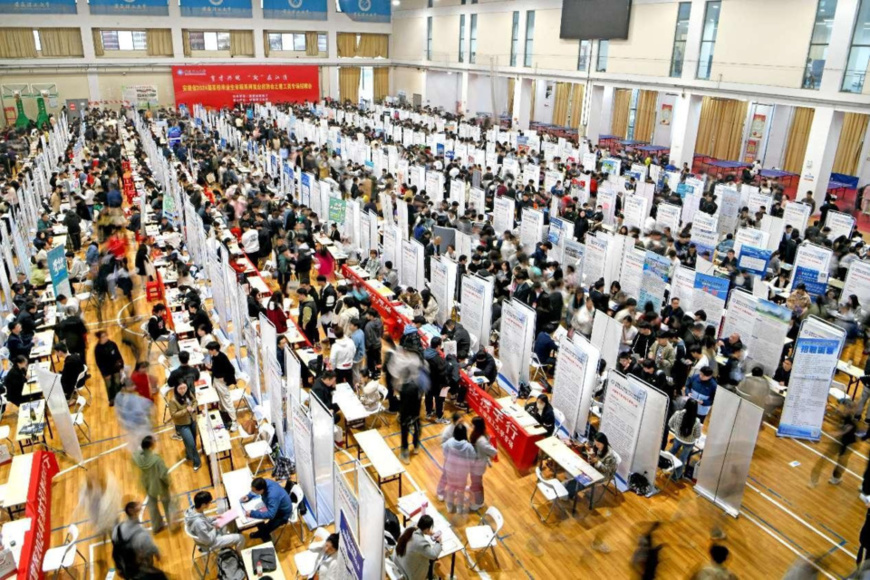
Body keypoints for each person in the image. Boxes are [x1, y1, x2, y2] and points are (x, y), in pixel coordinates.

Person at [112, 501, 165, 580]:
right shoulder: (142, 534)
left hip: (124, 568)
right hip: (140, 569)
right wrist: (157, 554)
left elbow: (114, 542)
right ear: (132, 511)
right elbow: (151, 548)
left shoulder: (118, 529)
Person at [810, 399, 857, 486]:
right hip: (838, 441)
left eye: (846, 408)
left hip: (847, 444)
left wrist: (833, 433)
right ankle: (814, 480)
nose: (844, 409)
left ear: (850, 410)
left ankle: (836, 478)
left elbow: (843, 431)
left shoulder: (852, 422)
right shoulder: (843, 416)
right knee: (824, 459)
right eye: (844, 407)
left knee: (841, 462)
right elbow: (837, 418)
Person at [132, 436, 174, 533]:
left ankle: (157, 526)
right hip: (160, 485)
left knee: (152, 507)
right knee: (167, 505)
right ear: (151, 446)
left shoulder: (137, 456)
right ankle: (171, 524)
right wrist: (170, 483)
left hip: (147, 484)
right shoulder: (157, 460)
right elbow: (163, 475)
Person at [239, 477, 293, 541]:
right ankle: (263, 531)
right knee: (260, 518)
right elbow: (256, 490)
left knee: (267, 527)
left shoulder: (272, 496)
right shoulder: (264, 482)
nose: (252, 491)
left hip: (282, 513)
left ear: (261, 490)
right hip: (275, 505)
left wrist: (252, 513)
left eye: (254, 491)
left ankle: (263, 534)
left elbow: (271, 515)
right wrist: (249, 496)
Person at [441, 423, 476, 513]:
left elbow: (444, 452)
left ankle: (449, 505)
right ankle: (459, 508)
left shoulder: (449, 442)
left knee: (451, 488)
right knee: (461, 490)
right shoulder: (468, 446)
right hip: (462, 472)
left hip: (450, 470)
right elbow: (473, 458)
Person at [394, 515, 442, 580]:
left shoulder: (410, 528)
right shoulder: (420, 542)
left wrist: (427, 532)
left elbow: (415, 524)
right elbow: (433, 555)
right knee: (429, 560)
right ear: (427, 529)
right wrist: (438, 543)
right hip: (409, 574)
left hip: (398, 562)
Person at [205, 342, 238, 431]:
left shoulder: (222, 357)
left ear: (214, 350)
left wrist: (224, 379)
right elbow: (217, 369)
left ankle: (234, 421)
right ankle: (224, 415)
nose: (208, 351)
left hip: (221, 382)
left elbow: (231, 369)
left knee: (227, 401)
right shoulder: (214, 357)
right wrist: (211, 368)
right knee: (220, 399)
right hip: (216, 380)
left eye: (209, 350)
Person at [168, 381, 202, 471]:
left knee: (193, 440)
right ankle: (197, 462)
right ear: (176, 389)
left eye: (184, 388)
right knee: (191, 443)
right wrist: (186, 410)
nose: (183, 390)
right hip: (182, 425)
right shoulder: (173, 401)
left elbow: (195, 401)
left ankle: (188, 454)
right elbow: (174, 415)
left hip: (192, 420)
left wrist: (193, 408)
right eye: (180, 388)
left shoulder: (189, 393)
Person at [667, 399, 702, 479]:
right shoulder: (697, 421)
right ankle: (675, 476)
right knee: (682, 459)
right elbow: (697, 435)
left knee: (672, 451)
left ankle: (665, 465)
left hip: (677, 438)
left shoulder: (678, 414)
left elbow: (670, 423)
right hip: (689, 443)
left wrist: (677, 429)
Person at [469, 416, 498, 510]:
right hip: (474, 463)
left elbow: (493, 451)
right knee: (476, 482)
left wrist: (487, 458)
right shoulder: (478, 434)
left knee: (478, 484)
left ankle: (479, 503)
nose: (471, 426)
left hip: (478, 465)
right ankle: (474, 488)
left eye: (472, 424)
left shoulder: (481, 440)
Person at [94, 330, 125, 406]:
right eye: (103, 336)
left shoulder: (112, 344)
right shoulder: (98, 349)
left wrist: (121, 366)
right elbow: (99, 363)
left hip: (115, 368)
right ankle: (111, 399)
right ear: (99, 338)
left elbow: (118, 355)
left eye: (106, 335)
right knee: (109, 385)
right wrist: (105, 374)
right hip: (106, 370)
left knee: (117, 382)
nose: (105, 338)